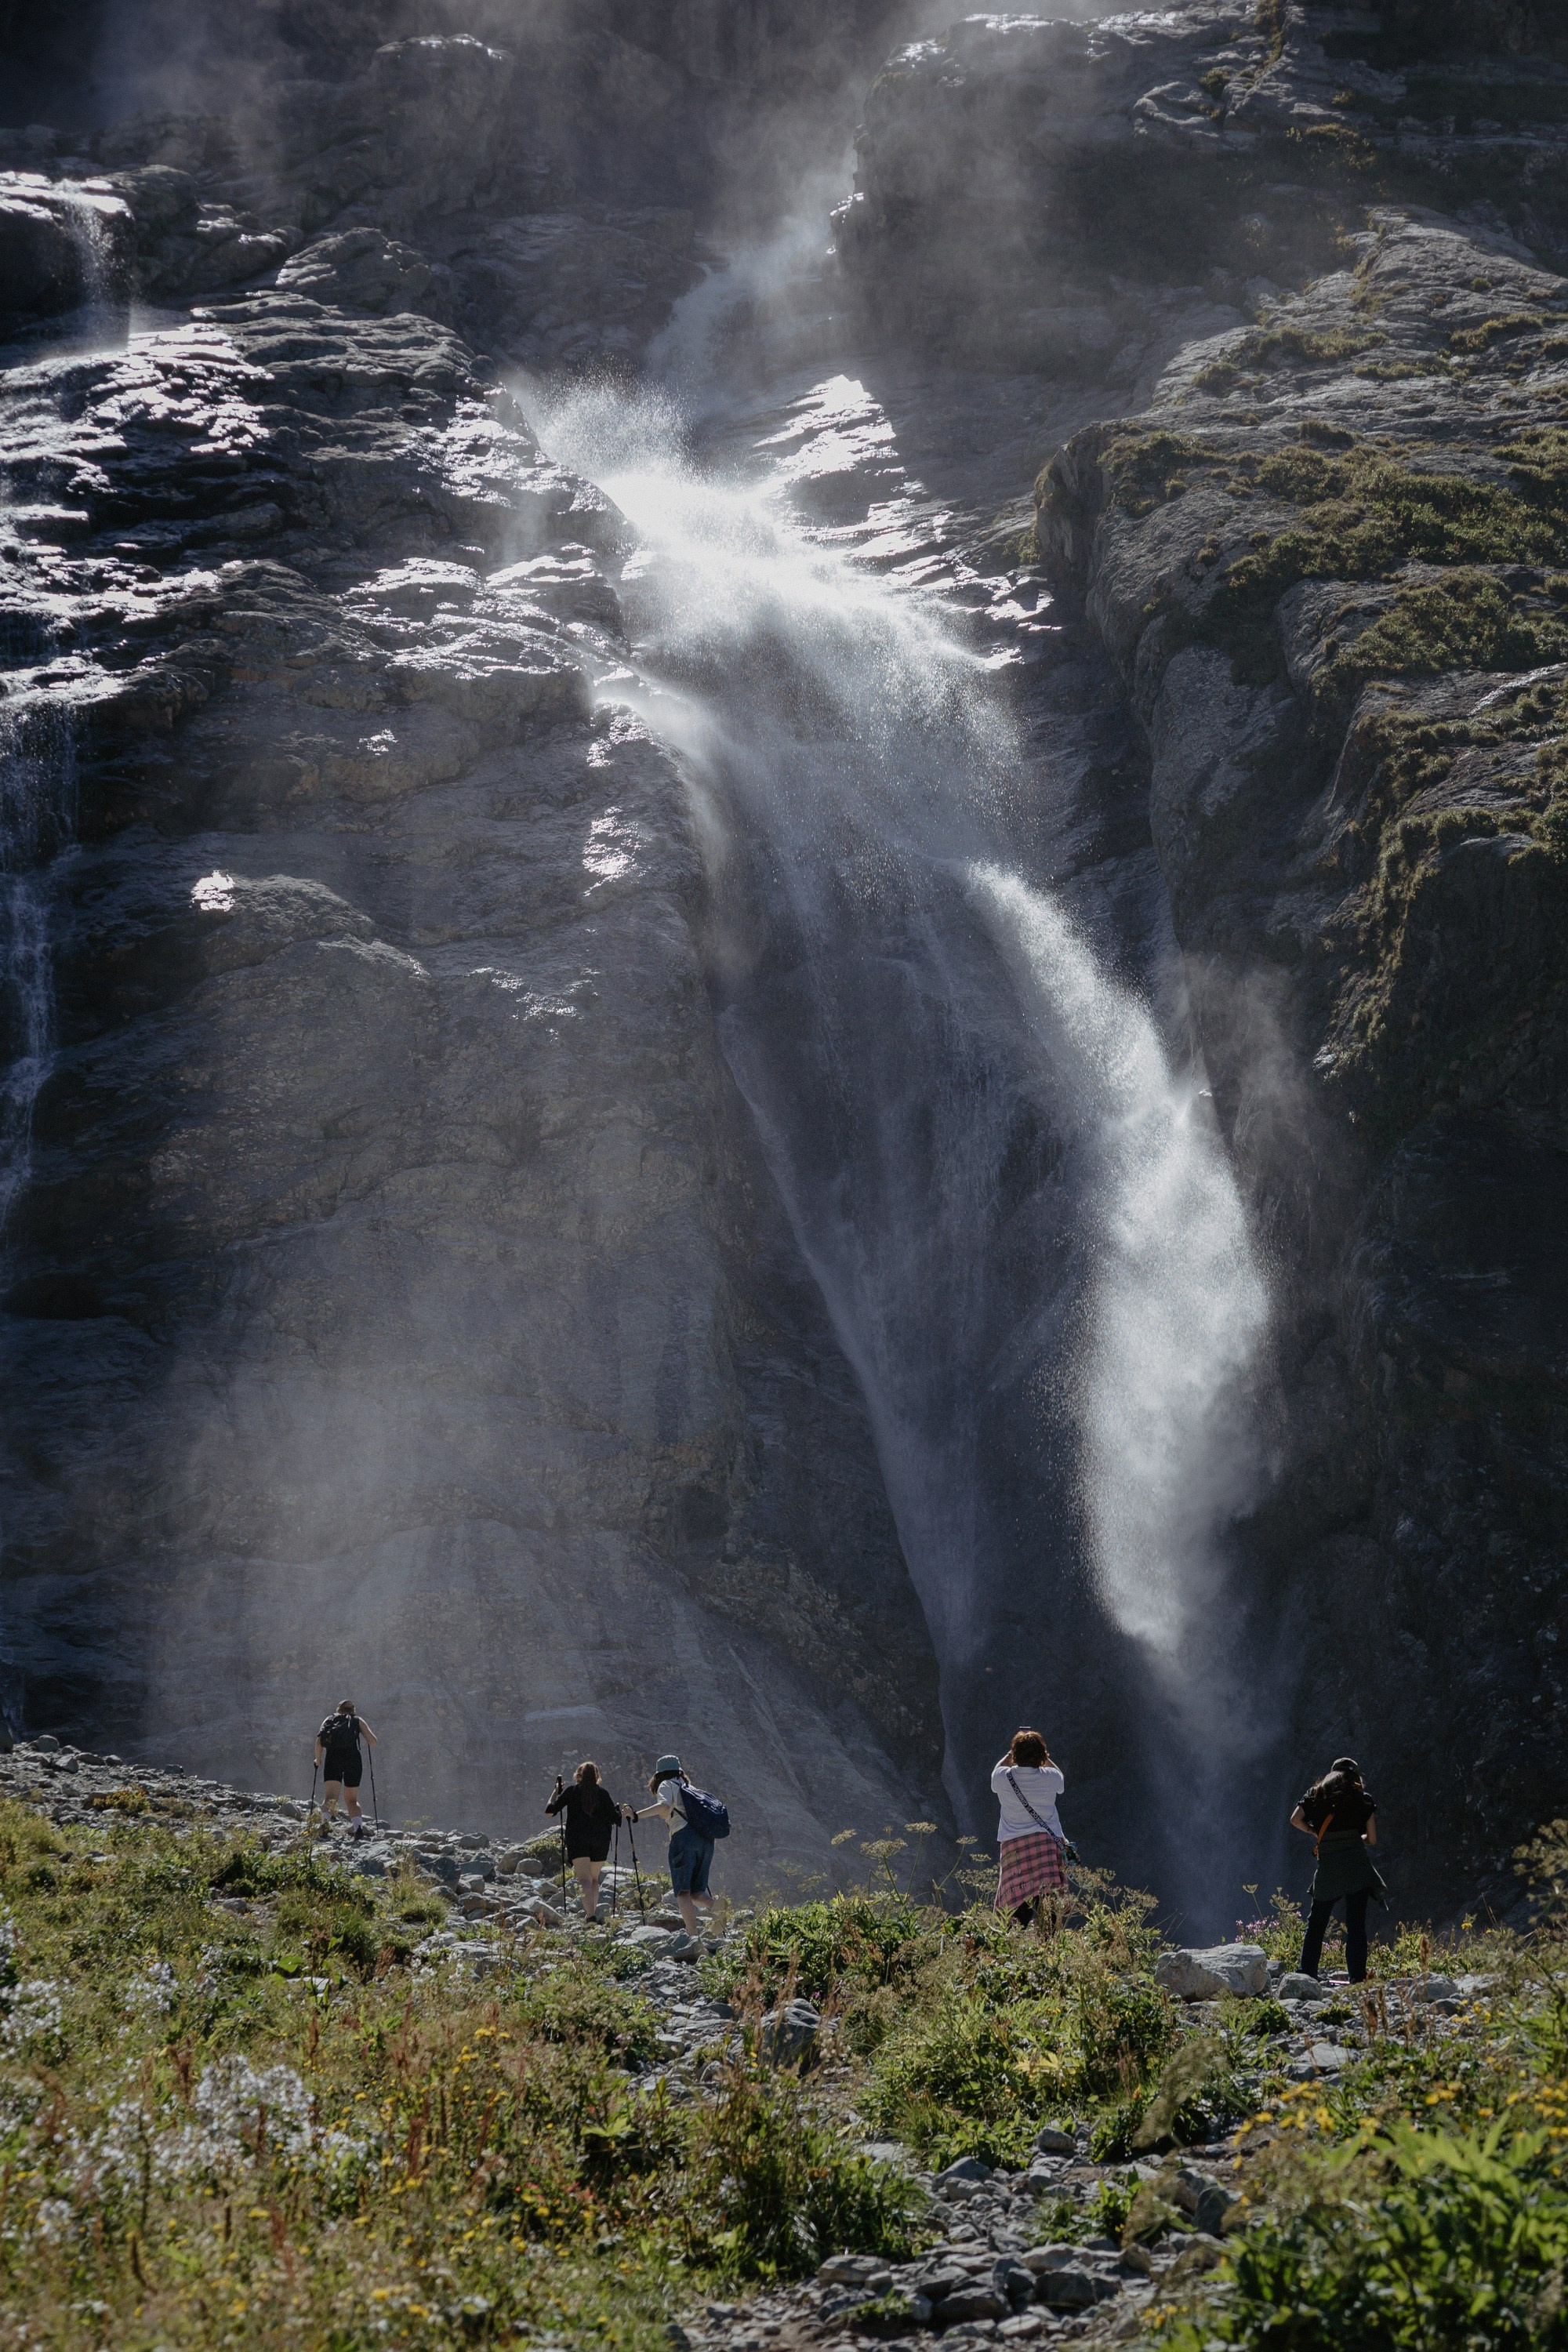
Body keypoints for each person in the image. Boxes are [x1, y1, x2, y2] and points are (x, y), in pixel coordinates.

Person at [1290, 1754, 1385, 1982]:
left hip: (1329, 1868)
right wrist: (1354, 1837)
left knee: (1317, 1922)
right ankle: (1357, 1977)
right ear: (1355, 1776)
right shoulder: (1363, 1799)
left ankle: (1307, 1973)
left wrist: (1316, 1832)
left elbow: (1295, 1819)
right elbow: (1372, 1839)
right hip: (1356, 1868)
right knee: (1356, 1924)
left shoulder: (1316, 1795)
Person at [628, 1752, 726, 1940]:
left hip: (683, 1838)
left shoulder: (667, 1785)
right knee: (697, 1891)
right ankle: (714, 1906)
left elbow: (664, 1807)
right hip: (706, 1841)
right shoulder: (691, 1788)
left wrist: (636, 1815)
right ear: (679, 1772)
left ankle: (692, 1936)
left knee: (682, 1892)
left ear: (659, 1776)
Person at [991, 1728, 1069, 1929]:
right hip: (1046, 1846)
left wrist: (1010, 1755)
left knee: (1016, 1904)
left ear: (1015, 1755)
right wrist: (1045, 1758)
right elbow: (1059, 1777)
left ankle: (1011, 1945)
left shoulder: (1002, 1777)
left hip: (1014, 1847)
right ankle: (1048, 1947)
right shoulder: (1051, 1777)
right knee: (1048, 1903)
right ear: (1042, 1756)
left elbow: (995, 1772)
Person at [545, 1760, 622, 1919]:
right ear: (597, 1776)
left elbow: (549, 1811)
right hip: (600, 1841)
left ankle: (591, 1915)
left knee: (584, 1880)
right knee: (594, 1879)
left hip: (577, 1840)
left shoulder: (572, 1791)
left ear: (578, 1775)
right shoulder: (603, 1793)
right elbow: (617, 1819)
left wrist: (556, 1792)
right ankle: (591, 1915)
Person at [314, 1700, 377, 1837]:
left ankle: (324, 1825)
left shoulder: (329, 1719)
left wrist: (318, 1760)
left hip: (333, 1759)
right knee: (352, 1800)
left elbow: (319, 1741)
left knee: (330, 1798)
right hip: (353, 1760)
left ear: (339, 1709)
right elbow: (373, 1742)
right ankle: (358, 1829)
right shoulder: (357, 1720)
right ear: (353, 1710)